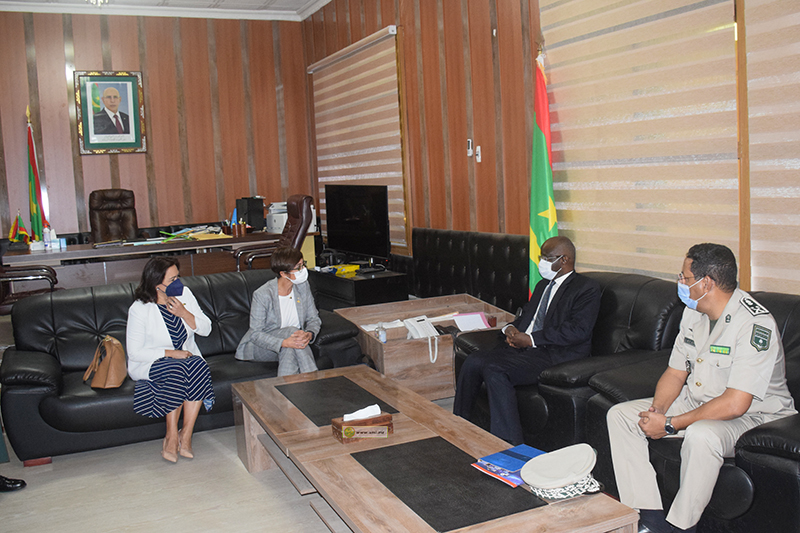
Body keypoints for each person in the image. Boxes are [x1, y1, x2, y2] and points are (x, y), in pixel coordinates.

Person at [607, 243, 796, 533]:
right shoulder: (693, 313)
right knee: (621, 416)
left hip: (755, 416)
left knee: (702, 434)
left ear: (706, 283)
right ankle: (650, 518)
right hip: (699, 401)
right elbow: (675, 372)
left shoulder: (755, 324)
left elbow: (735, 403)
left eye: (685, 277)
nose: (680, 283)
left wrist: (669, 424)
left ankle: (682, 526)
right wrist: (657, 411)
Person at [453, 236, 602, 444]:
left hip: (555, 354)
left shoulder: (586, 288)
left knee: (495, 369)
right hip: (526, 348)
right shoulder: (542, 285)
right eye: (541, 257)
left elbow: (578, 330)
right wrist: (510, 329)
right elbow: (527, 318)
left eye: (547, 258)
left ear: (564, 260)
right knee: (473, 360)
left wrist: (531, 339)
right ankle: (459, 425)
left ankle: (509, 444)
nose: (542, 263)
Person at [126, 256, 215, 463]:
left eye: (178, 277)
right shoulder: (139, 309)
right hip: (150, 363)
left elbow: (206, 329)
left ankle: (186, 435)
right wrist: (170, 353)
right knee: (179, 368)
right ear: (157, 284)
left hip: (187, 358)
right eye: (172, 280)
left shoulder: (185, 295)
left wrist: (184, 313)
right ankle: (172, 435)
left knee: (198, 365)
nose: (178, 283)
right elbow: (135, 352)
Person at [235, 247, 321, 376]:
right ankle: (313, 377)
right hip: (260, 346)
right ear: (283, 274)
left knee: (291, 346)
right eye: (298, 267)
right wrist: (283, 342)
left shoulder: (303, 286)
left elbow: (313, 319)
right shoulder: (263, 294)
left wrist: (309, 334)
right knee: (291, 335)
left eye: (303, 264)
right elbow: (255, 334)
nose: (303, 269)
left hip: (293, 342)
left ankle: (287, 387)